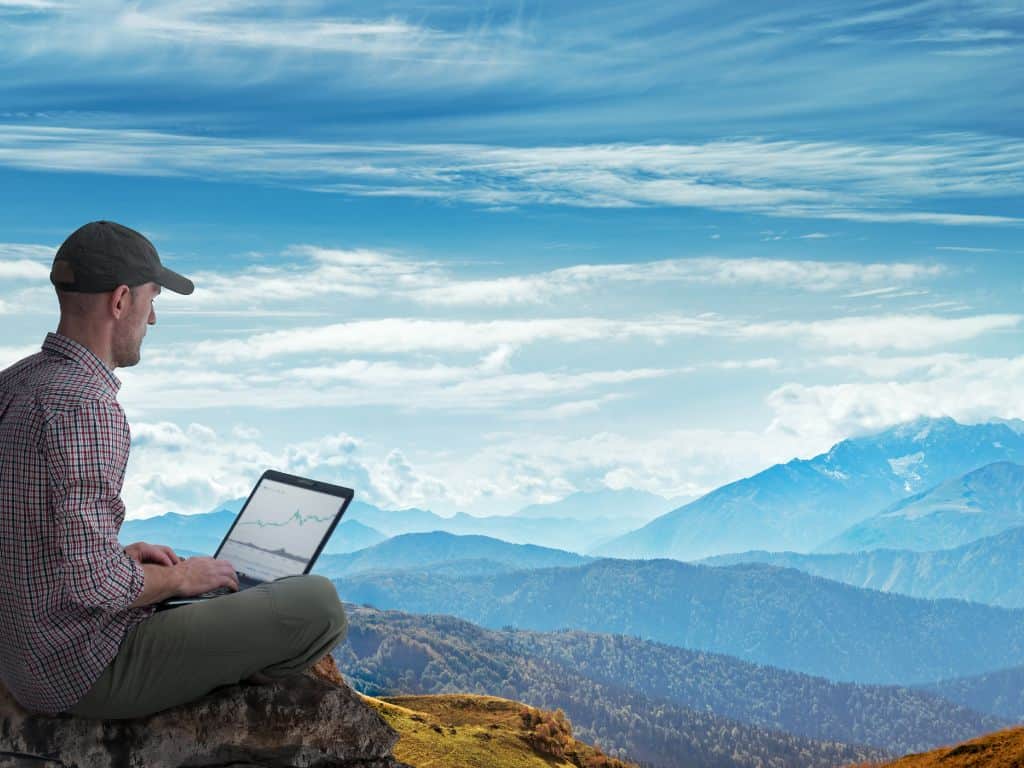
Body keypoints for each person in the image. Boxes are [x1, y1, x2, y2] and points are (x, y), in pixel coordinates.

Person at [0, 221, 347, 719]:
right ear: (121, 301)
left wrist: (121, 556)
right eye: (151, 299)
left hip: (22, 656)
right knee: (319, 605)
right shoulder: (87, 407)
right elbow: (97, 585)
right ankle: (225, 677)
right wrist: (182, 578)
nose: (154, 318)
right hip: (81, 671)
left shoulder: (14, 383)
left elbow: (22, 533)